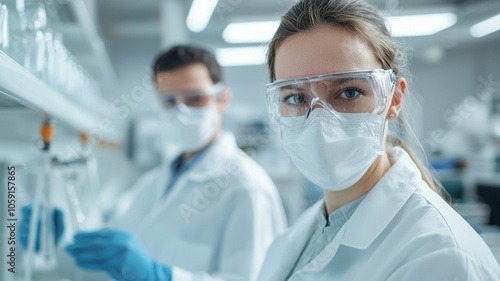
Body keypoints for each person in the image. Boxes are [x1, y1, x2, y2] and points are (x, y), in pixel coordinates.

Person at [257, 0, 500, 280]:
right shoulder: (303, 234)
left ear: (394, 98)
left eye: (348, 92)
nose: (319, 123)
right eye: (296, 98)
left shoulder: (442, 257)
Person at [20, 45, 287, 281]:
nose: (181, 111)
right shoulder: (153, 183)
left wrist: (160, 276)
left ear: (222, 99)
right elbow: (110, 266)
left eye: (195, 99)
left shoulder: (247, 189)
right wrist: (61, 243)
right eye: (169, 101)